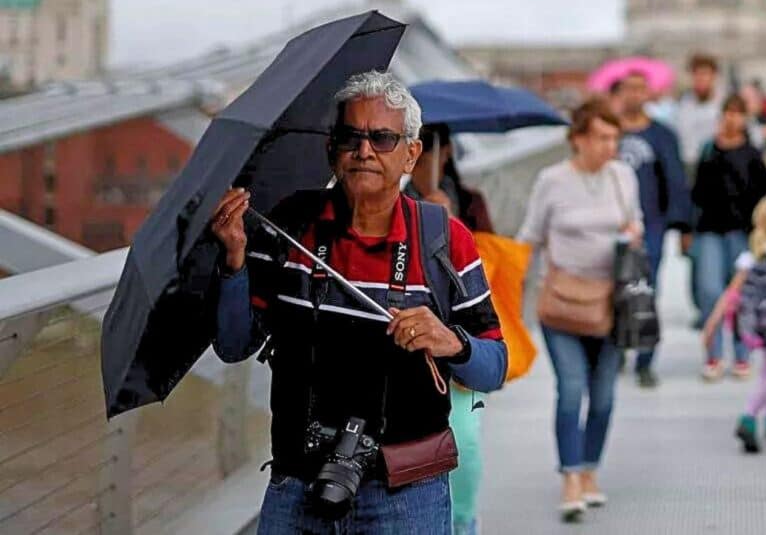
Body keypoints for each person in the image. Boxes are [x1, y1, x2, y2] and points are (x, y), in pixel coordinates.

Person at [209, 71, 508, 535]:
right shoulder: (292, 225)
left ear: (412, 152)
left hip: (406, 493)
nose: (364, 151)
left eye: (383, 138)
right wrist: (233, 261)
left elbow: (494, 368)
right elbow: (233, 345)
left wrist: (451, 342)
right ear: (332, 148)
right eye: (351, 136)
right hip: (298, 482)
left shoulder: (443, 240)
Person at [517, 99, 642, 522]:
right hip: (562, 304)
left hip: (611, 303)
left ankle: (590, 470)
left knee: (604, 396)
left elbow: (635, 223)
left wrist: (633, 233)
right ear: (578, 139)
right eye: (602, 138)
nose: (610, 146)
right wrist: (511, 295)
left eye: (615, 138)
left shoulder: (623, 177)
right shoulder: (551, 180)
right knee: (572, 389)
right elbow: (529, 237)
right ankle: (570, 476)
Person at [406, 123, 496, 535]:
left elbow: (489, 270)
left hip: (458, 343)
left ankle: (463, 520)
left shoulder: (468, 203)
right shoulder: (396, 206)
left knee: (465, 440)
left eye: (435, 153)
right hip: (412, 358)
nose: (429, 163)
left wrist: (452, 227)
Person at [610, 72, 690, 388]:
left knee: (646, 292)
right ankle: (615, 353)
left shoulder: (662, 135)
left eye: (641, 89)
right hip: (610, 225)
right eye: (629, 88)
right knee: (612, 292)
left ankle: (645, 359)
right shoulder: (607, 131)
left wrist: (683, 226)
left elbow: (676, 180)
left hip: (651, 227)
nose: (635, 94)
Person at [692, 95, 766, 381]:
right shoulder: (708, 150)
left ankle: (742, 353)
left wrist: (765, 234)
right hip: (709, 229)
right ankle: (713, 353)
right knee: (709, 289)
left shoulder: (752, 154)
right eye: (727, 112)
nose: (731, 119)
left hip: (744, 232)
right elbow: (697, 193)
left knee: (741, 295)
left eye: (737, 113)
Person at [700, 197, 766, 454]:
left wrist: (711, 325)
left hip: (757, 324)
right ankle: (749, 417)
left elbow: (731, 294)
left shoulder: (750, 257)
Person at [673, 54, 723, 181]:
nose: (700, 79)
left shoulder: (723, 104)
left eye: (705, 74)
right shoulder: (683, 104)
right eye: (696, 74)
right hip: (688, 167)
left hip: (716, 167)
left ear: (714, 76)